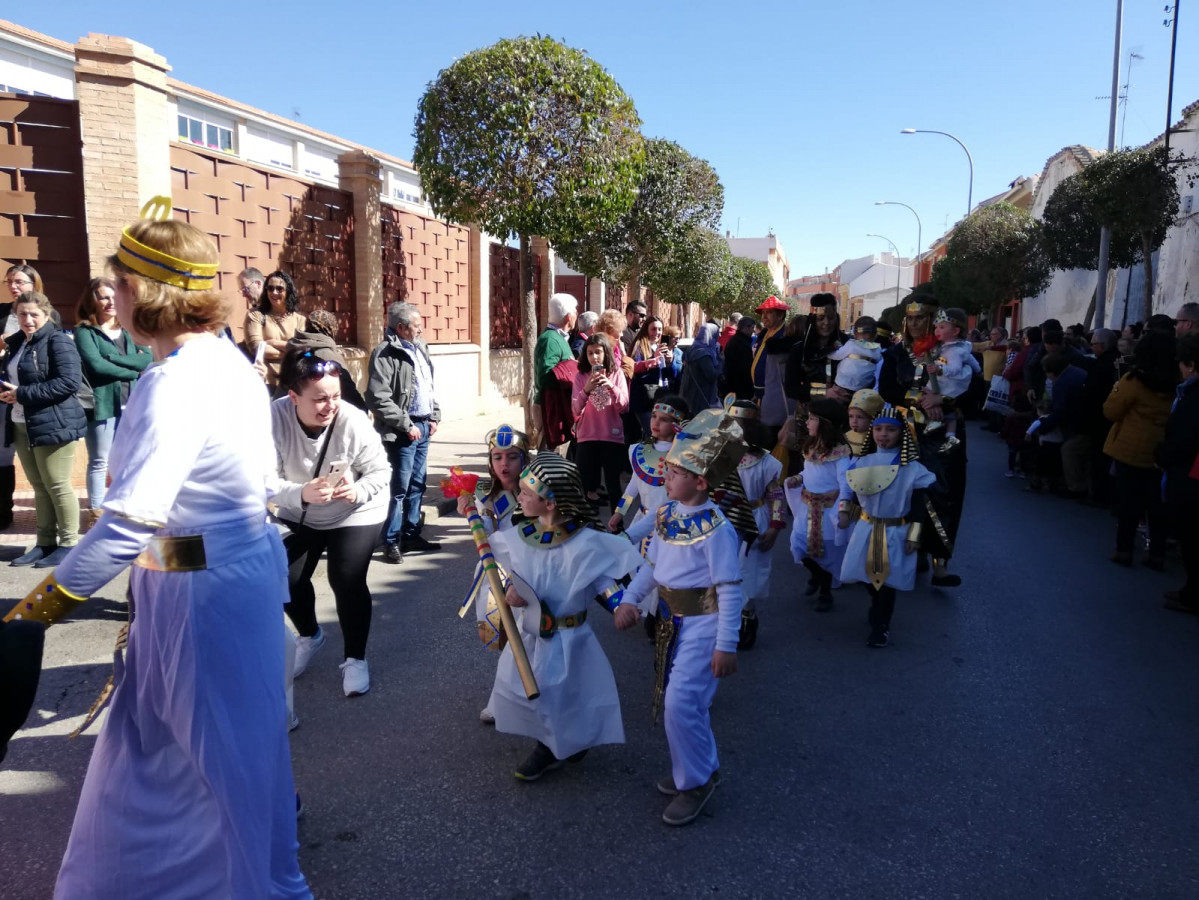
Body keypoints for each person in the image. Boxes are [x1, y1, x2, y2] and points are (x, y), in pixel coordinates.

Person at [5, 207, 310, 898]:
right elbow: (258, 485)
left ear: (146, 291)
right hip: (225, 579)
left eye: (123, 281)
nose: (118, 294)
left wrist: (30, 615)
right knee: (170, 758)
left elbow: (126, 527)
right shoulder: (230, 362)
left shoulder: (171, 382)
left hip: (200, 592)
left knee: (218, 766)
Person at [614, 407, 745, 827]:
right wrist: (631, 600)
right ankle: (698, 769)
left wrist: (727, 644)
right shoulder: (667, 515)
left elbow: (729, 589)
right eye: (666, 469)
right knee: (684, 704)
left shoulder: (718, 529)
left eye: (673, 472)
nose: (664, 477)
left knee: (681, 703)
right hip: (672, 622)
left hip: (704, 626)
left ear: (700, 481)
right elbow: (653, 566)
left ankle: (696, 781)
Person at [488, 453, 643, 781]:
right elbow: (508, 571)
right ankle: (550, 745)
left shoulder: (584, 542)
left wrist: (622, 605)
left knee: (566, 694)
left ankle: (558, 746)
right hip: (531, 634)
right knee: (535, 691)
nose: (522, 497)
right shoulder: (521, 534)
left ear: (551, 503)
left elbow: (603, 580)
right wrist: (510, 592)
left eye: (529, 493)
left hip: (569, 637)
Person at [271, 352, 390, 698]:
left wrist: (359, 490)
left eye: (335, 396)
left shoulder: (351, 420)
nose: (330, 405)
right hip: (301, 506)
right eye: (320, 398)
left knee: (345, 578)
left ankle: (355, 659)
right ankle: (310, 635)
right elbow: (261, 478)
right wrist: (300, 493)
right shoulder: (272, 418)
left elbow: (381, 471)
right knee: (285, 578)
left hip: (354, 509)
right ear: (293, 397)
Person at [877, 296, 963, 587]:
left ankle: (940, 561)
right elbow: (888, 389)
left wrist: (944, 399)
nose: (914, 324)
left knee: (942, 492)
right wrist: (921, 401)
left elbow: (971, 391)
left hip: (942, 433)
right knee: (906, 493)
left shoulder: (950, 352)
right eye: (910, 319)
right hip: (906, 430)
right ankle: (908, 551)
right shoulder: (894, 354)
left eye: (921, 319)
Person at [0, 291, 87, 567]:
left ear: (47, 315)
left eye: (34, 314)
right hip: (21, 422)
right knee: (39, 487)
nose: (28, 320)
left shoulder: (58, 341)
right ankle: (45, 543)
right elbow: (12, 378)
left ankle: (69, 543)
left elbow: (68, 383)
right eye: (22, 314)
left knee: (58, 485)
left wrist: (23, 393)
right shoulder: (15, 344)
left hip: (54, 422)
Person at [838, 405, 936, 648]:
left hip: (895, 531)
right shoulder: (862, 462)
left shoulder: (911, 469)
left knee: (886, 582)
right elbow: (850, 491)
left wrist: (914, 534)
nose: (883, 434)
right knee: (864, 576)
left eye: (890, 430)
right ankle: (876, 604)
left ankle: (881, 626)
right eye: (879, 429)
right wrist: (844, 513)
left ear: (901, 434)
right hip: (866, 527)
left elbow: (918, 504)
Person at [455, 424, 533, 723]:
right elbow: (486, 538)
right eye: (497, 457)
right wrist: (470, 513)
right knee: (506, 639)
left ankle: (505, 701)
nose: (504, 464)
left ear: (524, 459)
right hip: (498, 575)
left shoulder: (538, 491)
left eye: (512, 457)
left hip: (532, 577)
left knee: (527, 639)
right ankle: (512, 696)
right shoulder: (485, 496)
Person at [367, 301, 442, 563]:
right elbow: (378, 397)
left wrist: (434, 415)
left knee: (418, 485)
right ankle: (390, 541)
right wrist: (406, 424)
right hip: (402, 431)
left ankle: (411, 534)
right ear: (401, 328)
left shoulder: (420, 347)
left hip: (422, 426)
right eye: (416, 326)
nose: (420, 330)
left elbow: (427, 385)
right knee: (399, 488)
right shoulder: (384, 353)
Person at [73, 277, 152, 519]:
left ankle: (126, 509)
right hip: (102, 405)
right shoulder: (85, 331)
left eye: (112, 296)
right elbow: (96, 366)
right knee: (100, 460)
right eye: (103, 297)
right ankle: (96, 513)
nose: (109, 302)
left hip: (133, 402)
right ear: (92, 301)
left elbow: (146, 358)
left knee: (131, 458)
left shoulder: (127, 329)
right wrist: (131, 370)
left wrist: (114, 359)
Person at [1103, 329, 1177, 569]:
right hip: (1164, 449)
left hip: (1132, 448)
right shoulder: (1179, 381)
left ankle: (1124, 550)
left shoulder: (1134, 380)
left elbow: (1111, 411)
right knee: (1158, 505)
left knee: (1129, 503)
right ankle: (1157, 553)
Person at [718, 400, 784, 648]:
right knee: (722, 569)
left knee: (749, 572)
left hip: (754, 520)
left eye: (739, 425)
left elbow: (775, 496)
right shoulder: (720, 456)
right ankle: (722, 622)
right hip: (723, 520)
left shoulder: (767, 463)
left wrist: (775, 528)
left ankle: (747, 619)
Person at [784, 398, 852, 612]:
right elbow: (810, 472)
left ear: (825, 423)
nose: (807, 422)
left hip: (828, 511)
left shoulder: (840, 454)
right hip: (807, 508)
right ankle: (815, 576)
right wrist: (799, 478)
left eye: (812, 418)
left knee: (826, 552)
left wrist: (843, 509)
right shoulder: (811, 447)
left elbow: (845, 483)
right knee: (799, 545)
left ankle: (825, 591)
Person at [1155, 333, 1199, 614]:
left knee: (1192, 537)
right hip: (1189, 472)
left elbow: (1185, 438)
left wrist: (1162, 455)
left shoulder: (1194, 396)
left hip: (1191, 477)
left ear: (1191, 364)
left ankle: (1193, 596)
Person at [572, 333, 628, 515]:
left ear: (606, 353)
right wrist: (586, 390)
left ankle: (618, 525)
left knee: (613, 485)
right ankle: (583, 524)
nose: (594, 357)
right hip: (587, 436)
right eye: (589, 353)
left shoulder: (617, 373)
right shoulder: (581, 376)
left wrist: (610, 386)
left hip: (611, 436)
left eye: (598, 352)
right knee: (584, 484)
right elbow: (575, 409)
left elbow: (625, 407)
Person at [1033, 353, 1089, 497]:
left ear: (1052, 371)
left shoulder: (1062, 382)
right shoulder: (1076, 372)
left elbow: (1060, 411)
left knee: (1069, 450)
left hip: (1081, 424)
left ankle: (1075, 487)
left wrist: (1043, 427)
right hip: (1084, 419)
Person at [925, 307, 981, 446]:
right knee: (951, 414)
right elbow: (971, 359)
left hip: (950, 382)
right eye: (936, 327)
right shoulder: (955, 347)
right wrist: (978, 369)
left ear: (955, 331)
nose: (937, 330)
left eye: (942, 327)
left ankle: (937, 423)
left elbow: (955, 369)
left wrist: (940, 369)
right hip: (949, 381)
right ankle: (950, 435)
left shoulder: (954, 350)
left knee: (939, 401)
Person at [244, 270, 305, 388]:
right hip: (266, 383)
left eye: (279, 289)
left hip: (294, 384)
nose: (274, 292)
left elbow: (302, 351)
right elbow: (257, 348)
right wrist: (290, 351)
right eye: (270, 288)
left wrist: (273, 342)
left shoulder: (300, 320)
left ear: (288, 291)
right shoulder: (256, 315)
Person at [532, 292, 578, 449]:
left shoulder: (558, 338)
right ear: (568, 317)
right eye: (575, 312)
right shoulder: (550, 340)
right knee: (550, 458)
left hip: (558, 406)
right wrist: (572, 371)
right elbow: (545, 377)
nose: (577, 315)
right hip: (550, 409)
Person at [783, 292, 846, 405]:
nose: (826, 323)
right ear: (813, 320)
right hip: (809, 414)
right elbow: (790, 389)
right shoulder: (800, 349)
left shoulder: (847, 345)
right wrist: (824, 393)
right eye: (821, 318)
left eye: (831, 318)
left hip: (844, 412)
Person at [753, 296, 794, 434]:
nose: (764, 317)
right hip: (761, 397)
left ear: (780, 314)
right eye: (762, 313)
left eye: (769, 312)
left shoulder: (784, 336)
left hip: (776, 401)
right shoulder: (766, 334)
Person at [629, 316, 675, 438]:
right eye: (653, 329)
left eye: (660, 329)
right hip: (643, 399)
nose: (657, 333)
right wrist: (652, 359)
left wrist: (670, 361)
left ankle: (648, 453)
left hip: (658, 397)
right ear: (646, 330)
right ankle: (647, 455)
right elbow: (635, 371)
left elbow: (667, 375)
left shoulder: (659, 346)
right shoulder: (639, 347)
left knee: (653, 434)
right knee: (653, 433)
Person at [678, 322, 723, 414]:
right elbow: (711, 375)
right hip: (701, 398)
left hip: (687, 394)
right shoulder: (704, 354)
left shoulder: (691, 349)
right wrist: (720, 362)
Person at [828, 316, 881, 393]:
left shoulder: (852, 344)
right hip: (864, 385)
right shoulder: (878, 349)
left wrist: (828, 352)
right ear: (876, 335)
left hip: (843, 382)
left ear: (855, 334)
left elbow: (837, 356)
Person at [721, 315, 756, 400]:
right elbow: (746, 369)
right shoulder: (742, 344)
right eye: (752, 328)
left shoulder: (734, 340)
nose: (753, 331)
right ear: (745, 328)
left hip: (731, 387)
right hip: (741, 389)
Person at [846, 388, 884, 456]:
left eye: (860, 417)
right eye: (851, 416)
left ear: (872, 418)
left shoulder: (877, 439)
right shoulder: (845, 437)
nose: (854, 421)